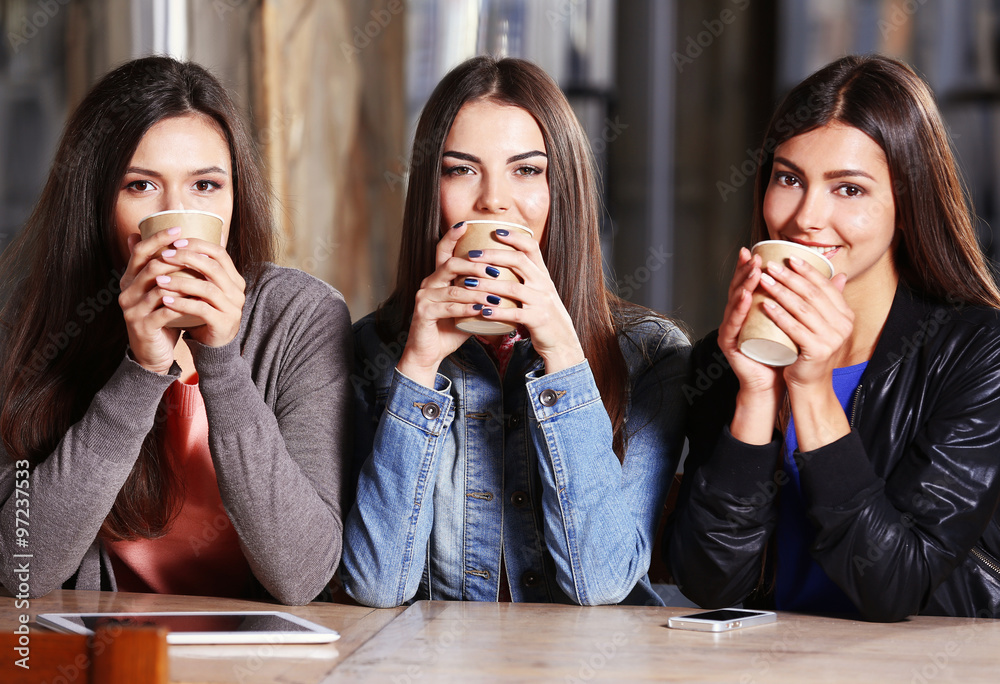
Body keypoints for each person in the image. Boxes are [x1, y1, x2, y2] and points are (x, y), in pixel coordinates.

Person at [341, 56, 690, 607]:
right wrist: (417, 367)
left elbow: (603, 582)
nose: (493, 201)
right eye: (461, 169)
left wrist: (563, 354)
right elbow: (377, 586)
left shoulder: (652, 356)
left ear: (561, 191)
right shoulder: (370, 351)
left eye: (526, 170)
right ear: (432, 193)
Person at [0, 57, 351, 604]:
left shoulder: (300, 316)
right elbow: (21, 567)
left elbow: (301, 574)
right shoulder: (35, 320)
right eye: (140, 185)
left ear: (236, 197)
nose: (176, 216)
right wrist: (140, 371)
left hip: (254, 652)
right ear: (95, 203)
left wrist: (222, 358)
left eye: (206, 185)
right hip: (106, 648)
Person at [666, 54, 1000, 621]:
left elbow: (893, 587)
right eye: (789, 178)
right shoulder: (720, 361)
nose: (805, 218)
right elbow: (712, 584)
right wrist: (755, 393)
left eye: (848, 189)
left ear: (907, 200)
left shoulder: (976, 352)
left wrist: (813, 388)